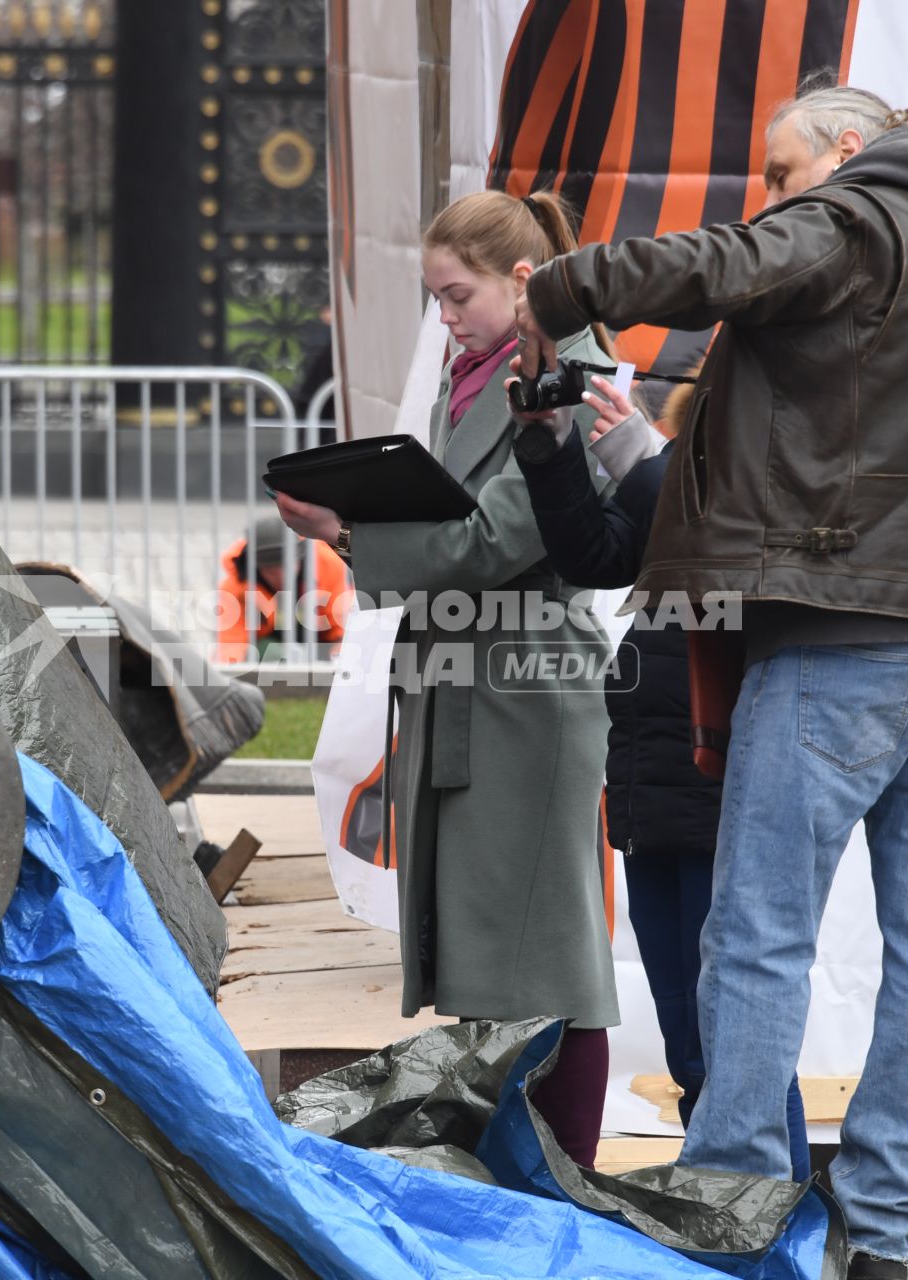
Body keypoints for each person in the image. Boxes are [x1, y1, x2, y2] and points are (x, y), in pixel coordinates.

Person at [514, 83, 908, 1279]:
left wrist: (560, 288)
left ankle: (736, 1202)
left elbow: (723, 266)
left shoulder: (856, 219)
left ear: (849, 152)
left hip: (847, 640)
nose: (767, 196)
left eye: (777, 170)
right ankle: (886, 1234)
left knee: (755, 933)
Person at [272, 189, 620, 1166]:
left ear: (520, 279)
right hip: (470, 684)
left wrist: (347, 530)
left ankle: (565, 1179)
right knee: (485, 956)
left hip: (526, 690)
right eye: (435, 298)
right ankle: (517, 1173)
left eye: (457, 293)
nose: (446, 317)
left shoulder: (573, 373)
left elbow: (497, 538)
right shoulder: (476, 377)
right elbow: (453, 537)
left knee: (549, 962)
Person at [510, 368, 812, 1183]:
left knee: (738, 1043)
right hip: (655, 797)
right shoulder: (676, 478)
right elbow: (593, 551)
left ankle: (775, 1223)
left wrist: (648, 464)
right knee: (690, 1039)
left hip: (727, 793)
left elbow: (736, 557)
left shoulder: (773, 475)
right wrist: (557, 448)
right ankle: (727, 1210)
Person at [214, 515, 352, 663]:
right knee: (271, 652)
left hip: (322, 646)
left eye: (287, 565)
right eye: (271, 571)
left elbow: (344, 630)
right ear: (257, 568)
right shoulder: (236, 587)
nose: (282, 576)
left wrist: (339, 664)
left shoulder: (329, 566)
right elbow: (231, 647)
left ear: (300, 557)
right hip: (269, 651)